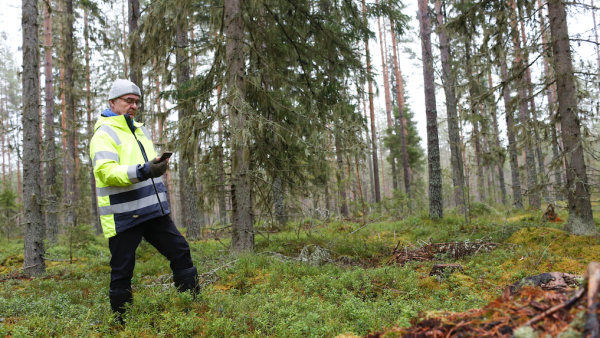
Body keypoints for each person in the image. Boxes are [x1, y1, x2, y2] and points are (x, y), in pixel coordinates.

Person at [89, 79, 199, 322]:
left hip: (153, 212)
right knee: (122, 272)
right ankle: (122, 324)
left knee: (181, 251)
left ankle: (193, 309)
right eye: (128, 100)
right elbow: (106, 172)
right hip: (124, 215)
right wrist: (142, 170)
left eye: (136, 102)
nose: (133, 106)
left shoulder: (140, 130)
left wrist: (156, 167)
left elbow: (147, 169)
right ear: (113, 102)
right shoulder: (103, 134)